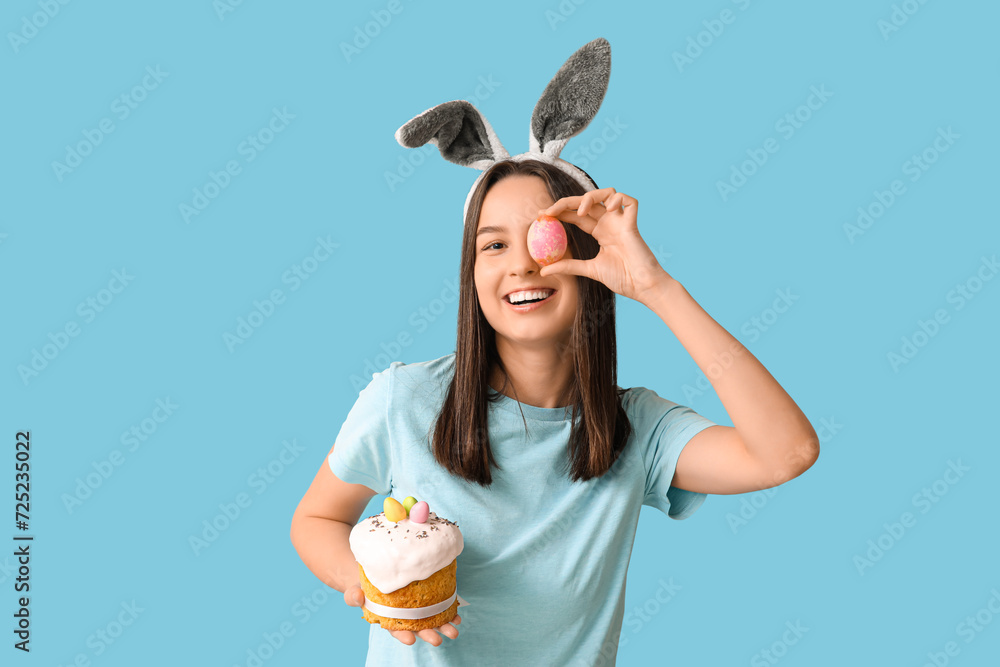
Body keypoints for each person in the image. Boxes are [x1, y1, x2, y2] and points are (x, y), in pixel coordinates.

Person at [289, 157, 821, 666]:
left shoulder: (638, 429)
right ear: (471, 275)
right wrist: (372, 586)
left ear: (591, 257)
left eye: (543, 238)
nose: (520, 263)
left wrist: (654, 286)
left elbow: (786, 453)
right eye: (493, 244)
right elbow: (317, 518)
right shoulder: (404, 400)